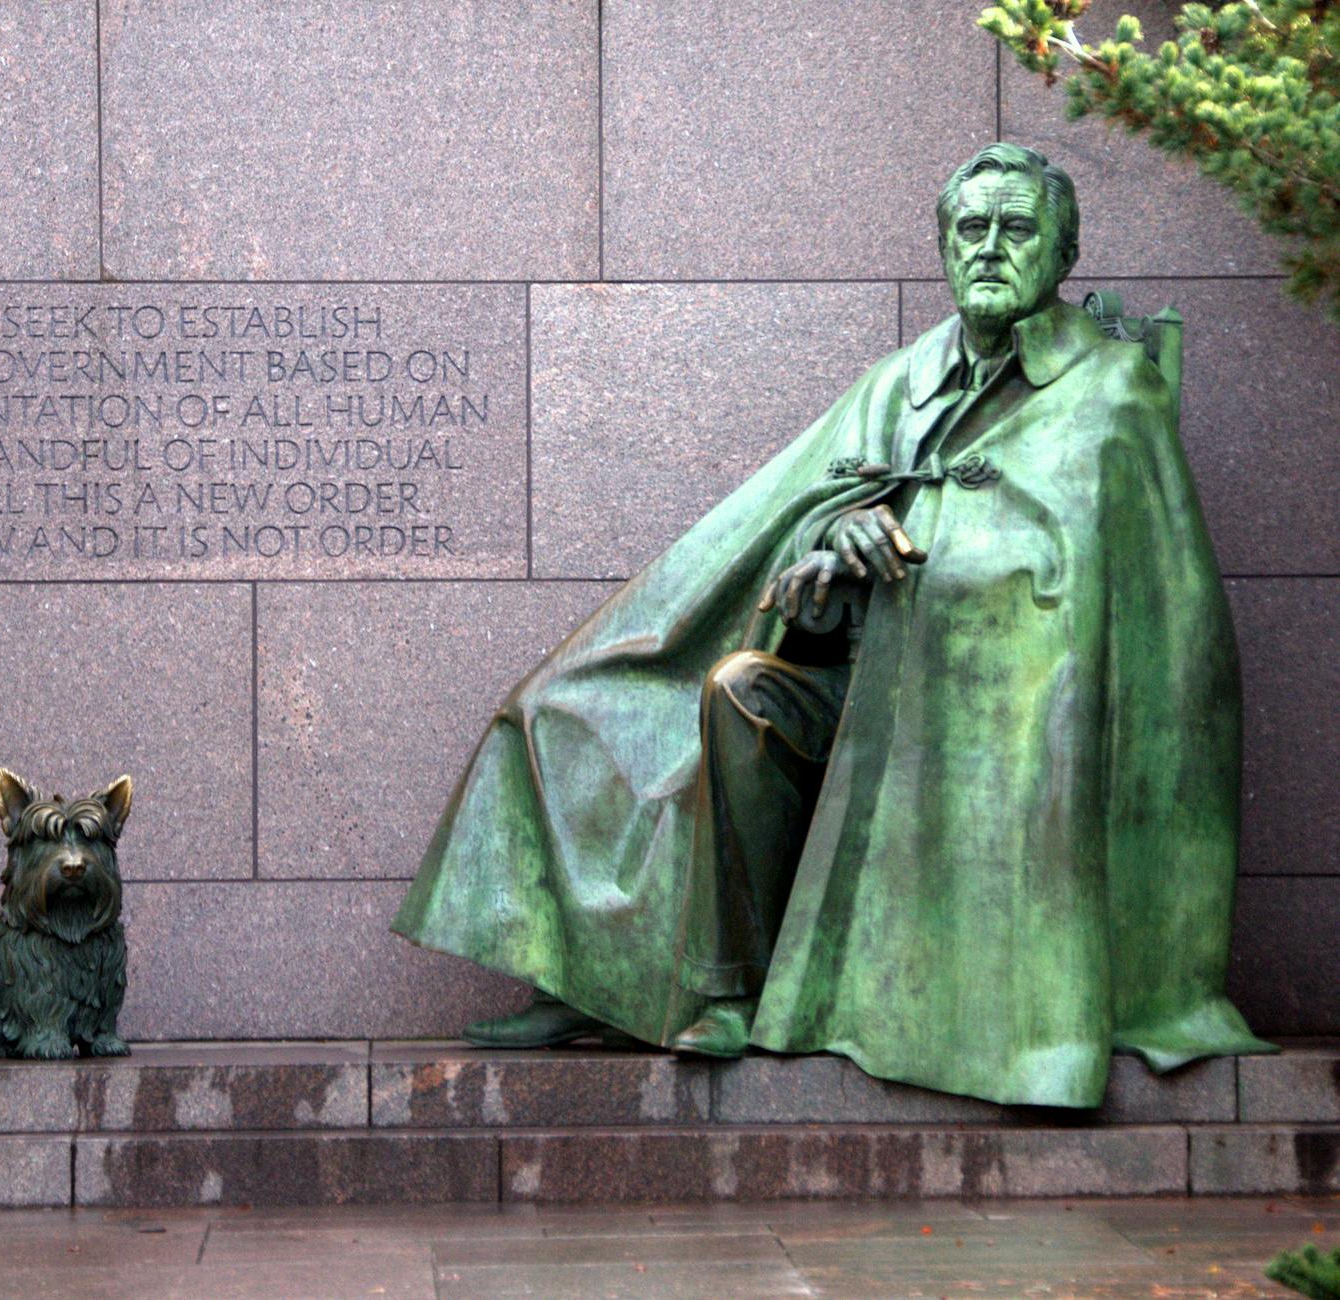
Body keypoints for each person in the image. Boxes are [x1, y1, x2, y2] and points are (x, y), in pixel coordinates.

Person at [391, 143, 1273, 1108]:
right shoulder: (900, 380)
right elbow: (793, 518)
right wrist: (830, 543)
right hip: (854, 679)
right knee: (649, 697)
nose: (988, 247)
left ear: (1062, 254)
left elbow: (1123, 602)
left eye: (1016, 228)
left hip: (995, 710)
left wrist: (934, 554)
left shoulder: (1111, 390)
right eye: (969, 228)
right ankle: (672, 985)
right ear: (943, 248)